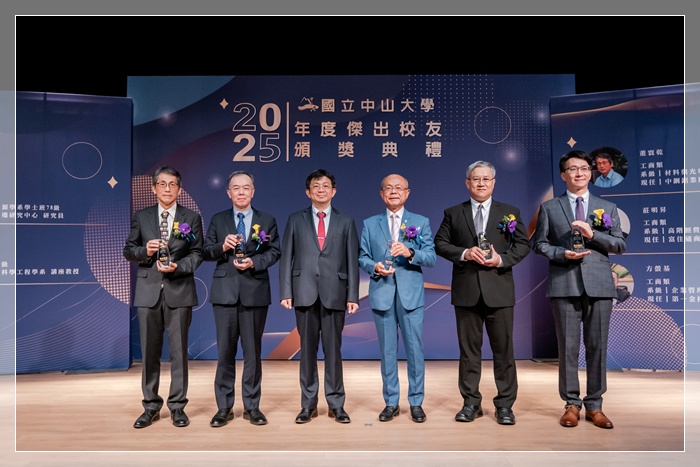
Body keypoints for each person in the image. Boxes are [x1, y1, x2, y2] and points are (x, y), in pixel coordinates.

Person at [532, 150, 626, 429]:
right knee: (568, 348)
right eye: (573, 169)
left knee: (597, 347)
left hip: (599, 286)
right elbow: (539, 244)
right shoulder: (550, 207)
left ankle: (595, 405)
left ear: (590, 173)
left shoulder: (607, 207)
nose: (579, 173)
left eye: (584, 168)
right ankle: (571, 404)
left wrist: (592, 234)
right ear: (564, 175)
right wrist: (562, 254)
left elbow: (619, 245)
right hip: (564, 283)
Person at [434, 160, 530, 426]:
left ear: (493, 183)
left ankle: (505, 405)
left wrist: (501, 260)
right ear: (467, 183)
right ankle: (471, 403)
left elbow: (523, 245)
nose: (481, 183)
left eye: (486, 179)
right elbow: (439, 243)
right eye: (476, 179)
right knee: (468, 352)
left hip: (499, 290)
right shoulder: (454, 213)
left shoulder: (509, 212)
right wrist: (465, 253)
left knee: (504, 351)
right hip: (466, 292)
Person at [123, 166, 203, 429]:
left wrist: (178, 267)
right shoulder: (142, 216)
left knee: (179, 353)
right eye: (162, 184)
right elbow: (129, 249)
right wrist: (145, 251)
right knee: (149, 353)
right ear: (154, 188)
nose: (167, 189)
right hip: (148, 292)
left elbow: (197, 253)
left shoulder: (191, 217)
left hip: (179, 290)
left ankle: (178, 406)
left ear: (179, 189)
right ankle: (150, 406)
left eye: (172, 185)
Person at [279, 168, 360, 424]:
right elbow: (286, 257)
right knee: (307, 352)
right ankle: (308, 405)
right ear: (308, 192)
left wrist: (353, 295)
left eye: (326, 186)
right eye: (316, 186)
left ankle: (336, 404)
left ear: (333, 191)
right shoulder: (296, 219)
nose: (321, 190)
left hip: (336, 293)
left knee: (333, 351)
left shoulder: (346, 221)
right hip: (304, 292)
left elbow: (352, 260)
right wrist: (286, 291)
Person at [202, 171, 281, 427]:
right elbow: (206, 251)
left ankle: (252, 407)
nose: (241, 192)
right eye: (236, 188)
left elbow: (274, 252)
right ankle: (224, 408)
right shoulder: (218, 219)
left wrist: (254, 262)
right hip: (224, 294)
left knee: (252, 353)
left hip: (255, 292)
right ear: (229, 193)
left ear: (253, 192)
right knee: (225, 352)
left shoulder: (266, 220)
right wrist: (222, 247)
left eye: (246, 187)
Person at [358, 174, 436, 423]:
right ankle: (391, 402)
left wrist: (411, 252)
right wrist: (374, 266)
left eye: (398, 188)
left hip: (410, 295)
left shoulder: (420, 222)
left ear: (407, 193)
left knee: (415, 350)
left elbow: (431, 257)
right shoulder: (370, 223)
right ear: (381, 194)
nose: (393, 191)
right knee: (387, 352)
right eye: (388, 188)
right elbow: (362, 257)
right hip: (382, 293)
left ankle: (416, 402)